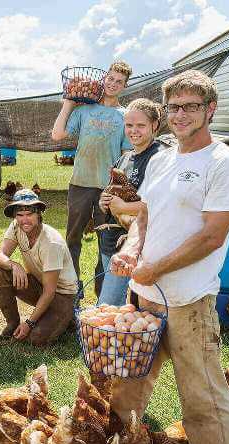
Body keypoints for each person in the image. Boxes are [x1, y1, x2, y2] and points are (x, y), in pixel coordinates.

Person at [110, 70, 229, 444]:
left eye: (191, 106)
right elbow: (147, 214)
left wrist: (155, 266)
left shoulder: (226, 164)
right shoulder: (163, 158)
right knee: (128, 386)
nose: (181, 115)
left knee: (203, 398)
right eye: (174, 107)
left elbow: (211, 236)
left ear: (210, 110)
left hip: (188, 300)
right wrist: (134, 247)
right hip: (142, 296)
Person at [51, 61, 133, 292]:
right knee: (72, 238)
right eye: (110, 78)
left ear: (125, 86)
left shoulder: (124, 115)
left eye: (119, 81)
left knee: (105, 242)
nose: (113, 83)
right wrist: (68, 103)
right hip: (80, 183)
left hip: (108, 190)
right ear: (103, 78)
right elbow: (57, 134)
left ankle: (101, 291)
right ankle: (71, 287)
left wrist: (121, 187)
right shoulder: (83, 110)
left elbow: (127, 153)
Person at [96, 98, 165, 305]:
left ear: (155, 125)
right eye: (129, 125)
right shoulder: (125, 158)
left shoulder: (160, 158)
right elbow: (110, 191)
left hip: (134, 243)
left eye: (141, 125)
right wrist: (104, 200)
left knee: (107, 305)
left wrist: (124, 207)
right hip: (111, 239)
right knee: (118, 304)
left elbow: (159, 204)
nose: (134, 130)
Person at [0, 189, 79, 346]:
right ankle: (12, 325)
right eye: (19, 214)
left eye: (29, 213)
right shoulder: (17, 226)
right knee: (0, 273)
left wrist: (29, 323)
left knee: (35, 339)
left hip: (61, 295)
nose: (24, 220)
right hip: (39, 285)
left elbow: (50, 292)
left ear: (39, 214)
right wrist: (14, 265)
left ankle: (69, 317)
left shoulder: (51, 243)